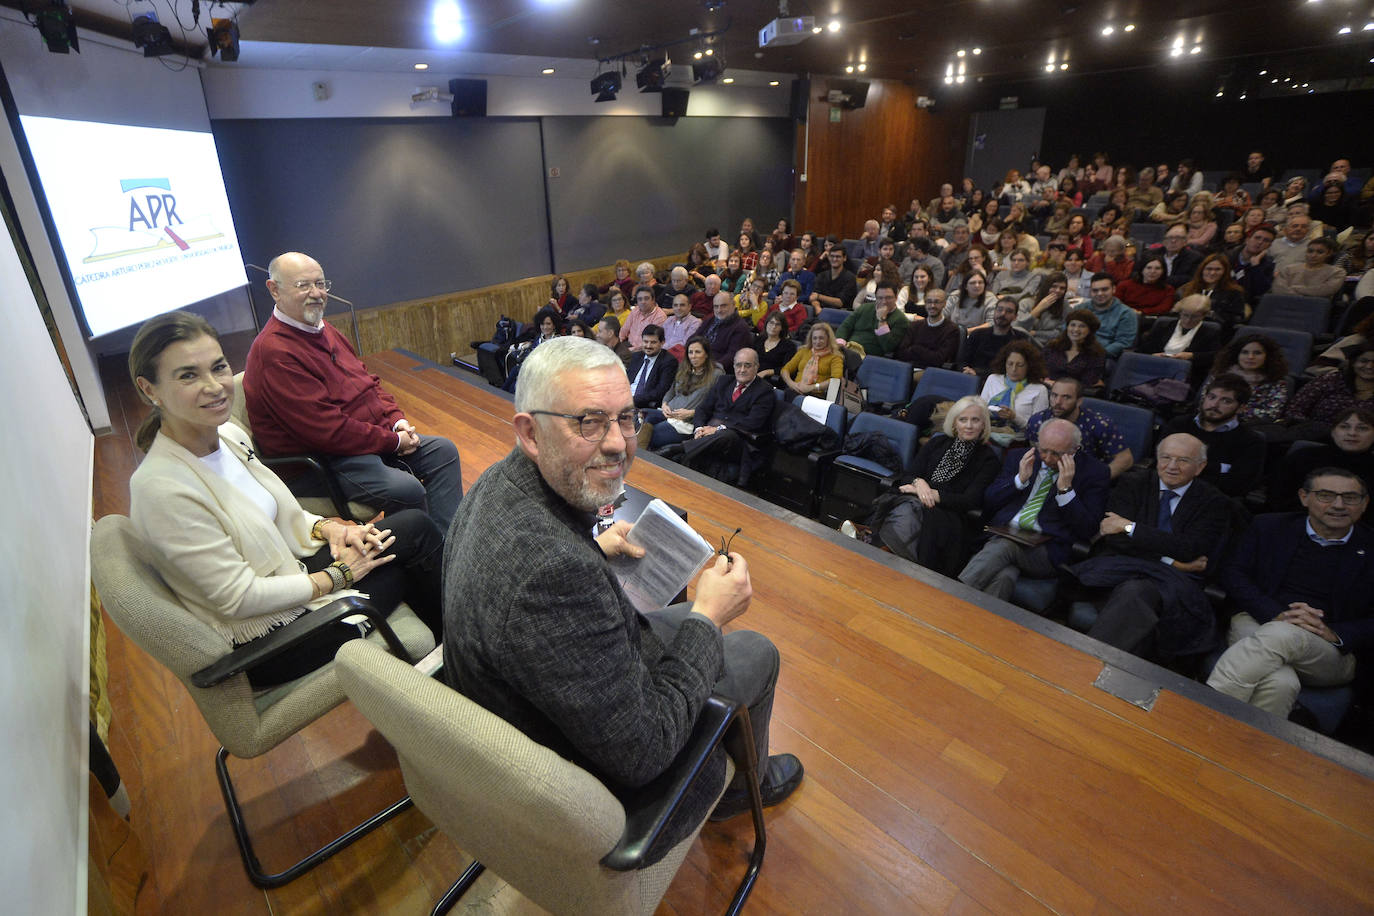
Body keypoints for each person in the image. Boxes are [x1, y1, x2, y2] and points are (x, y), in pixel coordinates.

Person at [441, 337, 801, 853]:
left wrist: (591, 546)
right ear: (530, 432)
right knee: (755, 652)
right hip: (588, 795)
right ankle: (744, 787)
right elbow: (644, 752)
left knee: (676, 616)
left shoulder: (496, 484)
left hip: (528, 706)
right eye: (588, 421)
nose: (617, 443)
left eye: (625, 418)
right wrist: (707, 616)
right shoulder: (554, 574)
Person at [130, 311, 444, 689]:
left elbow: (277, 512)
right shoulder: (161, 490)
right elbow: (239, 599)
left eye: (218, 367)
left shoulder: (227, 434)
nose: (214, 386)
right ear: (150, 390)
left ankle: (452, 660)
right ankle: (460, 666)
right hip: (270, 640)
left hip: (289, 574)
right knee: (410, 564)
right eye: (188, 375)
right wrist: (338, 576)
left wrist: (329, 528)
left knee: (414, 527)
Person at [243, 252, 463, 529]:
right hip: (322, 463)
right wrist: (393, 442)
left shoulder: (323, 329)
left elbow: (368, 382)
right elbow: (327, 432)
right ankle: (416, 560)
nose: (316, 294)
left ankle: (447, 548)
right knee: (406, 490)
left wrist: (397, 422)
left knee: (443, 451)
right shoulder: (275, 353)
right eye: (303, 286)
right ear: (274, 290)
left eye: (321, 284)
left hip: (358, 445)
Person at [1206, 469, 1374, 719]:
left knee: (1282, 634)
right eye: (1326, 495)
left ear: (1364, 503)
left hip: (1330, 649)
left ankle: (1198, 721)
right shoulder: (1269, 526)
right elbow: (1233, 573)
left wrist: (1336, 633)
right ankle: (1249, 752)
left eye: (1350, 498)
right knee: (1281, 683)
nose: (1338, 505)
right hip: (1259, 619)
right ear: (1304, 497)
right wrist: (1276, 614)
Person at [1071, 433, 1231, 662]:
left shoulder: (1214, 502)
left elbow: (1190, 548)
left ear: (1200, 467)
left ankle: (1087, 665)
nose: (1172, 467)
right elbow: (1115, 540)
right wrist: (1171, 561)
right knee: (1138, 604)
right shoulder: (1132, 483)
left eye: (1183, 460)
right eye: (1166, 458)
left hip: (1172, 586)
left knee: (1137, 594)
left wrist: (1129, 527)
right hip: (1121, 572)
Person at [958, 418, 1110, 601]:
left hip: (1048, 550)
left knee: (1004, 547)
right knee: (1005, 575)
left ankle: (952, 599)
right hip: (1004, 532)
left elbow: (1088, 528)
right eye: (1043, 450)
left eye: (1056, 454)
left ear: (1074, 450)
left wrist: (1066, 491)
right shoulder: (1020, 457)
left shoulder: (1094, 473)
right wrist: (1019, 481)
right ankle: (979, 624)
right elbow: (989, 501)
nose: (1046, 458)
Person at [854, 396, 1001, 576]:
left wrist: (929, 493)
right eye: (963, 419)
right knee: (907, 505)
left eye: (975, 420)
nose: (969, 425)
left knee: (910, 508)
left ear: (984, 425)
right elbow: (908, 475)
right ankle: (883, 552)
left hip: (947, 514)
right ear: (954, 423)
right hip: (913, 498)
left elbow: (970, 500)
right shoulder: (937, 442)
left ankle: (875, 546)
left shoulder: (988, 459)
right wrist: (919, 483)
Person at [677, 348, 776, 484]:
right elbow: (703, 409)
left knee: (726, 435)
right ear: (733, 366)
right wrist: (699, 428)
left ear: (756, 367)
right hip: (709, 432)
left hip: (739, 441)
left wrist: (718, 429)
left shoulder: (765, 391)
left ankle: (677, 449)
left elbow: (753, 423)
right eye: (738, 365)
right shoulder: (724, 381)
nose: (742, 370)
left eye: (747, 365)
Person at [1161, 373, 1265, 497]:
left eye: (1226, 401)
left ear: (1240, 408)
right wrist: (1217, 468)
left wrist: (1185, 465)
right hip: (1165, 491)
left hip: (1212, 501)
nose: (1214, 405)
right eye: (1212, 397)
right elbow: (1161, 464)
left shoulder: (1251, 441)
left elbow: (1237, 486)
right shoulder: (1179, 424)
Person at [1026, 376, 1132, 477]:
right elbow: (1035, 453)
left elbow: (1125, 459)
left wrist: (1098, 481)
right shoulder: (1037, 421)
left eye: (1066, 397)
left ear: (1079, 401)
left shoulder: (1098, 424)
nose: (1057, 402)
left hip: (1086, 477)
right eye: (1054, 395)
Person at [639, 335, 720, 451]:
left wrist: (692, 413)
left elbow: (715, 406)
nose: (693, 356)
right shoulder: (684, 368)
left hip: (685, 422)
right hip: (667, 413)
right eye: (690, 352)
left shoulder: (716, 375)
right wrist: (665, 404)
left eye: (698, 352)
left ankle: (637, 458)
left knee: (651, 432)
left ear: (706, 354)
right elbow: (671, 391)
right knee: (639, 416)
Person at [1202, 334, 1290, 425]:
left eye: (1257, 353)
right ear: (1236, 354)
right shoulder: (1220, 374)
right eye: (1245, 352)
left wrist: (1230, 411)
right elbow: (1203, 400)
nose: (1250, 357)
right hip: (1211, 420)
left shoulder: (1276, 382)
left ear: (1268, 356)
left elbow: (1271, 414)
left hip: (1251, 427)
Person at [1285, 345, 1374, 433]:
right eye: (1363, 361)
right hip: (1316, 436)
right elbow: (1295, 409)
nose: (1369, 366)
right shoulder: (1330, 380)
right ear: (1353, 363)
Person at [1138, 294, 1224, 384]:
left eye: (1195, 316)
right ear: (1180, 313)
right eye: (1185, 315)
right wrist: (1153, 356)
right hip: (1155, 368)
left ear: (1204, 315)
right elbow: (1143, 349)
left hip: (1185, 377)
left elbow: (1215, 356)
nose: (1188, 320)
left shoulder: (1210, 332)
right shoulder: (1163, 325)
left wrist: (1192, 356)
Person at [980, 339, 1050, 434]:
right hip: (987, 433)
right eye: (1010, 364)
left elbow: (1037, 430)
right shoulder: (993, 379)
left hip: (1017, 440)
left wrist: (1014, 417)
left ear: (1029, 366)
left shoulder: (1039, 389)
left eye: (1020, 365)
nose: (1013, 369)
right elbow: (979, 410)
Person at [960, 296, 1032, 375]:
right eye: (999, 309)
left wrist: (978, 373)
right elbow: (963, 361)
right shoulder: (977, 334)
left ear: (1015, 317)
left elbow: (1015, 368)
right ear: (994, 311)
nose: (1003, 314)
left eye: (1009, 311)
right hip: (971, 378)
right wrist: (967, 371)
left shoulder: (1020, 339)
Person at [837, 281, 910, 357]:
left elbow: (888, 347)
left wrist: (882, 321)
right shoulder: (864, 308)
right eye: (880, 298)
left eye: (888, 298)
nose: (884, 302)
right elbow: (846, 326)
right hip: (848, 349)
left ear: (896, 297)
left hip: (870, 357)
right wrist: (840, 343)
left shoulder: (901, 320)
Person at [1175, 254, 1246, 332]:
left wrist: (1212, 315)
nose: (1212, 273)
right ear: (1202, 270)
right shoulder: (1185, 289)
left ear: (1225, 271)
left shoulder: (1234, 293)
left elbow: (1236, 320)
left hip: (1216, 332)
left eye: (1218, 269)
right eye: (1209, 269)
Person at [1041, 311, 1108, 393]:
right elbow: (1038, 369)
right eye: (1073, 325)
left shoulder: (1097, 354)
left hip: (1075, 395)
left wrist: (1057, 385)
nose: (1076, 329)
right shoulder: (1052, 347)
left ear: (1090, 330)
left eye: (1082, 326)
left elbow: (1089, 382)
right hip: (1045, 390)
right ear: (1067, 327)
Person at [894, 288, 959, 370]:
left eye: (937, 302)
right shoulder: (915, 325)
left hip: (930, 372)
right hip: (907, 367)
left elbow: (939, 359)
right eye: (929, 302)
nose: (932, 306)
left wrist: (915, 349)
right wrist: (927, 353)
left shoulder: (952, 330)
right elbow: (901, 353)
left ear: (944, 304)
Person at [782, 322, 845, 399]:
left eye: (821, 338)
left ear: (828, 339)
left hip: (816, 395)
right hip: (796, 389)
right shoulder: (804, 351)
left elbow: (836, 379)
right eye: (815, 338)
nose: (817, 342)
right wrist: (792, 384)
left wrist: (812, 387)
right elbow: (785, 369)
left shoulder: (835, 357)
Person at [1085, 272, 1138, 358]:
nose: (1099, 293)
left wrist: (1098, 354)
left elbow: (1122, 343)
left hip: (1105, 357)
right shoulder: (1080, 308)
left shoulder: (1126, 314)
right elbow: (1066, 330)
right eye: (1095, 290)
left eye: (1104, 289)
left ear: (1113, 289)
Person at [1272, 237, 1345, 299]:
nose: (1313, 255)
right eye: (1310, 251)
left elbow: (1325, 290)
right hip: (1284, 304)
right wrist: (1300, 297)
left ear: (1329, 253)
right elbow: (1278, 288)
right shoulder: (1289, 269)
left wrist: (1296, 288)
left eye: (1320, 252)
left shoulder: (1337, 272)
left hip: (1315, 308)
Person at [625, 325, 678, 410]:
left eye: (653, 342)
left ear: (662, 342)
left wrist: (632, 399)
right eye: (645, 342)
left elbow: (660, 391)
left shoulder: (669, 361)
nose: (648, 346)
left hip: (644, 405)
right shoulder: (636, 357)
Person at [700, 292, 754, 373]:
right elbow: (694, 338)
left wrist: (708, 366)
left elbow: (731, 357)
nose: (719, 310)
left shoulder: (740, 327)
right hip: (699, 360)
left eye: (723, 306)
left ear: (733, 305)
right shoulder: (710, 319)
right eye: (716, 306)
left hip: (717, 369)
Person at [1230, 223, 1278, 306]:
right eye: (1257, 238)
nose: (1260, 242)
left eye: (1266, 240)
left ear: (1269, 246)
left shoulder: (1268, 265)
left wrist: (1256, 267)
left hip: (1246, 304)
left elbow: (1260, 291)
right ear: (1247, 239)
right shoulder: (1228, 256)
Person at [810, 246, 859, 312]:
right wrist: (817, 307)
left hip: (840, 313)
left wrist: (819, 296)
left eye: (838, 257)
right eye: (832, 256)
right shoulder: (821, 275)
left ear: (844, 258)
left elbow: (840, 302)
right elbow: (813, 297)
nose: (834, 259)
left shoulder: (850, 278)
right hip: (821, 311)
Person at [754, 311, 797, 385]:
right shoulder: (758, 340)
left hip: (770, 381)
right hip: (752, 375)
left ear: (782, 328)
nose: (773, 327)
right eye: (771, 323)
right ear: (766, 324)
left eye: (777, 324)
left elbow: (787, 368)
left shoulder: (789, 346)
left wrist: (767, 372)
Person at [661, 292, 701, 361]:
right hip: (662, 354)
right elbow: (660, 338)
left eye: (682, 305)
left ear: (689, 307)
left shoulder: (695, 322)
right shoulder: (668, 320)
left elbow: (684, 344)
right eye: (675, 305)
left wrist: (663, 349)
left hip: (678, 358)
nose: (678, 308)